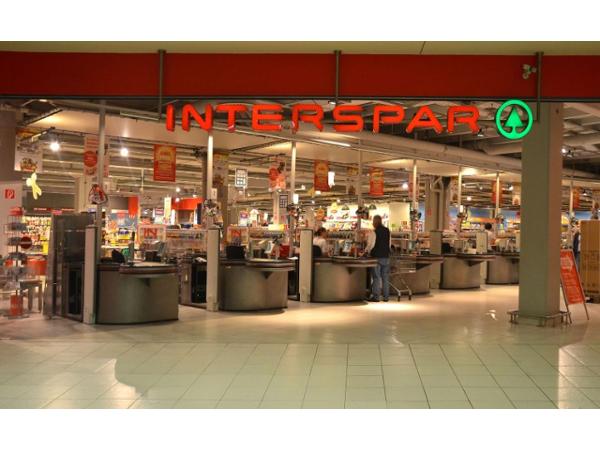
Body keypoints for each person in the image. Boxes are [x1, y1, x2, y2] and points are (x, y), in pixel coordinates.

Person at [365, 215, 391, 302]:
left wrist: (366, 251)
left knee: (376, 277)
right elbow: (389, 243)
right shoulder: (387, 231)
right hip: (386, 256)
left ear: (374, 222)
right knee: (385, 277)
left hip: (377, 257)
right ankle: (386, 297)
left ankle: (376, 297)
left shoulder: (374, 232)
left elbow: (371, 244)